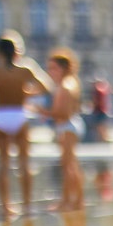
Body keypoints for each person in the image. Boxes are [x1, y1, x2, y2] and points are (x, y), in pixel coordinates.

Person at [0, 32, 52, 216]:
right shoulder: (25, 69)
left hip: (1, 114)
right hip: (18, 113)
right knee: (24, 163)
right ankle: (27, 204)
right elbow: (46, 86)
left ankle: (6, 206)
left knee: (3, 163)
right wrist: (27, 91)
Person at [45, 49, 85, 211]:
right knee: (71, 165)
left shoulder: (66, 85)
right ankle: (75, 200)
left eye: (53, 68)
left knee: (68, 166)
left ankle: (69, 200)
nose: (50, 72)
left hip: (67, 126)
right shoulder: (71, 82)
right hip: (69, 125)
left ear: (63, 68)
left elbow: (62, 113)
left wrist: (40, 111)